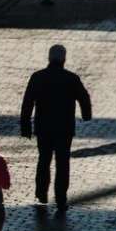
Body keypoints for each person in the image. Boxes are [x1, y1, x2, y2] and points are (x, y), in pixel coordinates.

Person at [20, 45, 92, 213]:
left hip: (43, 127)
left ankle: (41, 194)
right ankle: (61, 198)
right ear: (64, 59)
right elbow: (84, 97)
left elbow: (28, 102)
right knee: (63, 162)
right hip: (64, 127)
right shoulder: (71, 78)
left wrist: (25, 125)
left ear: (49, 58)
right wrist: (86, 114)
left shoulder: (38, 77)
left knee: (44, 160)